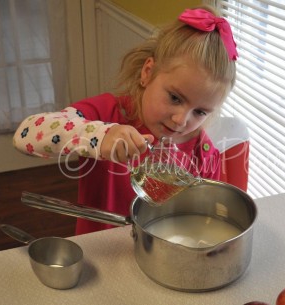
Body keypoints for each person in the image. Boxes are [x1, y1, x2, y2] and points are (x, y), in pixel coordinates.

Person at [13, 5, 238, 235]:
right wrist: (99, 137)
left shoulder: (203, 152)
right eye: (174, 97)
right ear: (147, 72)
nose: (181, 120)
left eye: (200, 112)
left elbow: (202, 222)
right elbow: (25, 134)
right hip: (100, 250)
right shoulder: (108, 113)